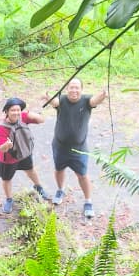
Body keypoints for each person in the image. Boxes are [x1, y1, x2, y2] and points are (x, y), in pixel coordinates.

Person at [49, 78, 107, 218]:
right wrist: (47, 96)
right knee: (59, 169)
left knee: (82, 175)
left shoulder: (86, 101)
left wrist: (103, 94)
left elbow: (95, 101)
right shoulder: (62, 100)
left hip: (79, 149)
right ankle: (60, 190)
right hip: (60, 146)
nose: (74, 90)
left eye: (77, 88)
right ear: (67, 89)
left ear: (81, 89)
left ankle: (88, 201)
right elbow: (54, 102)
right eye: (71, 87)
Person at [0, 97, 51, 213]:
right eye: (13, 110)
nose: (16, 113)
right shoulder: (2, 128)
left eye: (18, 110)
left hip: (24, 153)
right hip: (8, 158)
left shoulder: (23, 117)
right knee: (7, 179)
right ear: (7, 111)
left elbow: (41, 120)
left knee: (30, 170)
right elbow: (1, 148)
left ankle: (38, 187)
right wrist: (7, 145)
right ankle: (9, 199)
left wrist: (33, 114)